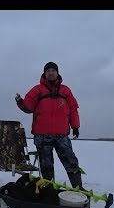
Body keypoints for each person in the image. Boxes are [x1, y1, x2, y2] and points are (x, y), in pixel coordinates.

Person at [15, 61, 85, 190]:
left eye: (53, 70)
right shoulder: (37, 89)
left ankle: (79, 187)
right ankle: (49, 189)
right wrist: (20, 102)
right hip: (42, 135)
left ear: (57, 73)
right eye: (48, 71)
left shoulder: (65, 90)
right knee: (46, 165)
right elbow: (28, 107)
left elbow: (73, 108)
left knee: (71, 162)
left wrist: (75, 126)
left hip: (62, 135)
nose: (51, 72)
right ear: (44, 73)